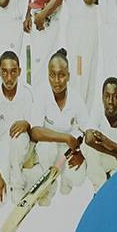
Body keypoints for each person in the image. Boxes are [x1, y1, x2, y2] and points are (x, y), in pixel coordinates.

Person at [28, 49, 88, 204]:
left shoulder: (76, 98)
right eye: (52, 75)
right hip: (49, 146)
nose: (56, 80)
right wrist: (65, 137)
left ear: (68, 76)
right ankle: (49, 185)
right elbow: (34, 132)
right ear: (47, 75)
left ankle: (66, 179)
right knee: (47, 150)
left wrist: (81, 153)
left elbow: (87, 131)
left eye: (61, 75)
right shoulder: (42, 93)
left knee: (77, 177)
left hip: (69, 149)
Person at [0, 51, 35, 203]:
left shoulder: (27, 94)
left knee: (20, 136)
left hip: (22, 146)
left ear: (19, 72)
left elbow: (36, 130)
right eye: (4, 72)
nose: (9, 78)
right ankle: (10, 175)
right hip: (0, 147)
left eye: (13, 72)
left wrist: (27, 124)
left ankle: (18, 185)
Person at [81, 77, 117, 191]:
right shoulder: (97, 114)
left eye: (115, 97)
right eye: (107, 96)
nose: (110, 101)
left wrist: (112, 144)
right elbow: (89, 139)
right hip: (103, 159)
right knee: (88, 148)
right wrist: (115, 153)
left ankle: (111, 185)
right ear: (102, 98)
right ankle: (100, 190)